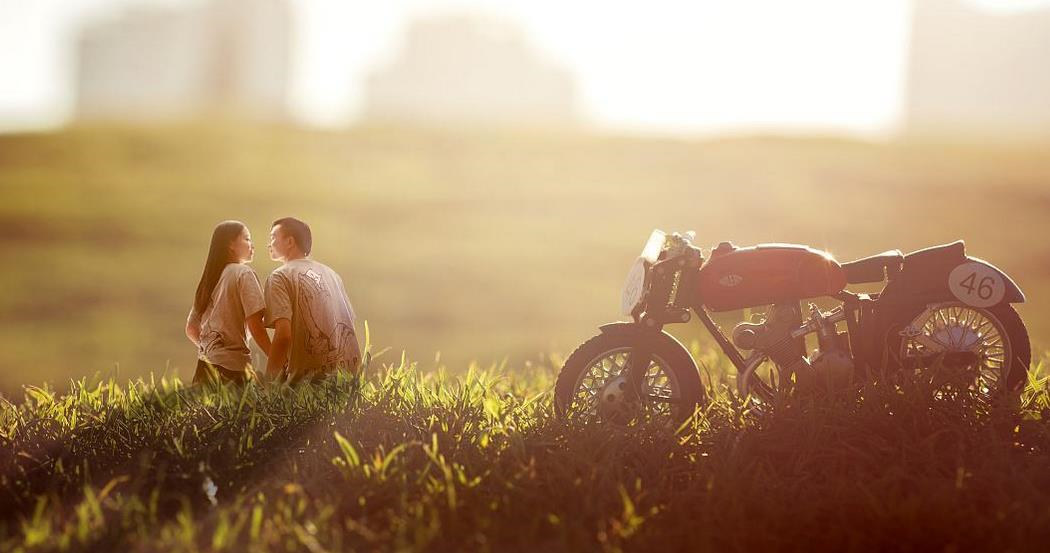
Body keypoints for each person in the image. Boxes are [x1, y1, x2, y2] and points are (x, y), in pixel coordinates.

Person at [264, 217, 361, 383]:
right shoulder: (332, 274)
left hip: (307, 386)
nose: (269, 243)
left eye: (273, 237)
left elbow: (284, 336)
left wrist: (269, 382)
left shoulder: (279, 277)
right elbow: (349, 321)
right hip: (347, 383)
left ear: (289, 242)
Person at [185, 221, 270, 385]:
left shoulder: (210, 278)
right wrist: (278, 359)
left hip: (204, 365)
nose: (252, 245)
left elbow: (191, 328)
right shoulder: (243, 273)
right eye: (247, 239)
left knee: (204, 410)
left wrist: (213, 349)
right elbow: (255, 324)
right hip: (233, 369)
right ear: (230, 244)